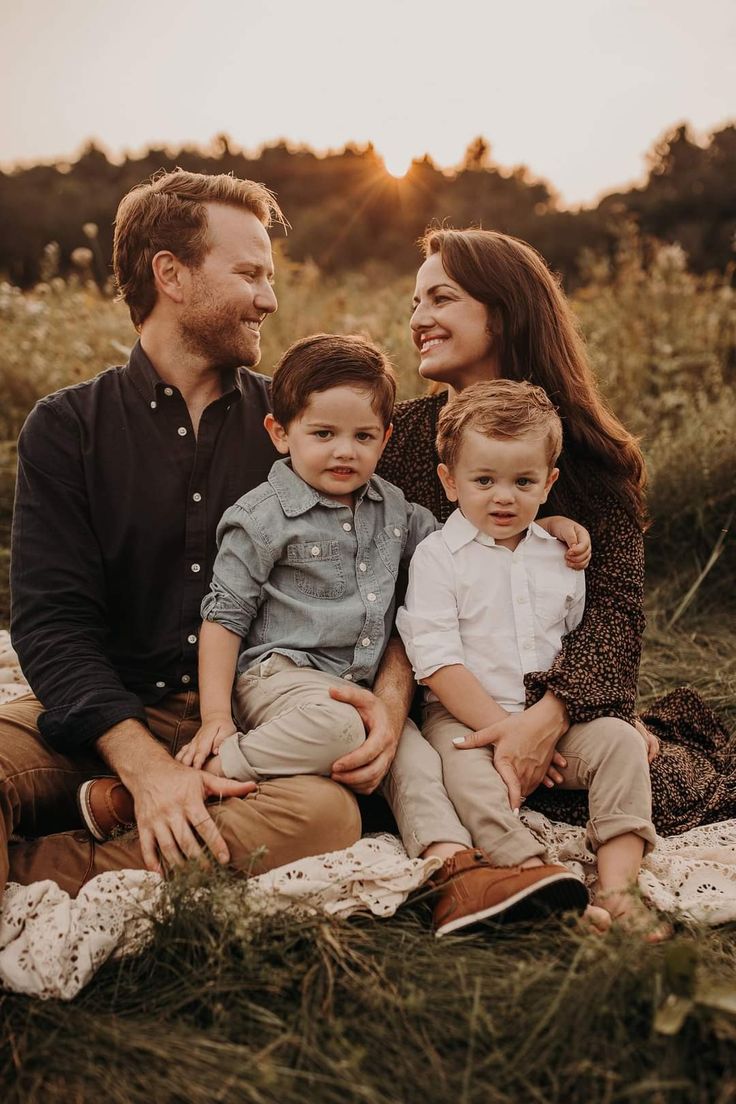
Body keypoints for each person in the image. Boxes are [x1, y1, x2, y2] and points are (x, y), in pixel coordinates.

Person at [79, 334, 591, 935]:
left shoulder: (398, 511)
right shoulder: (261, 516)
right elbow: (224, 616)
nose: (343, 452)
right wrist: (217, 715)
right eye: (323, 434)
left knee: (413, 754)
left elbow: (472, 533)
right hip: (281, 679)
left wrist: (545, 525)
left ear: (385, 439)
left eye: (363, 437)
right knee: (344, 726)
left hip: (364, 690)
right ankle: (198, 776)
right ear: (280, 433)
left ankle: (454, 870)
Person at [1, 170, 390, 902]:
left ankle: (38, 871)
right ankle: (128, 807)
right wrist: (145, 767)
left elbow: (399, 542)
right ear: (171, 275)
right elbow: (51, 623)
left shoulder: (298, 430)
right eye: (249, 274)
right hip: (100, 722)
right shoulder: (67, 427)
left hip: (248, 729)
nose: (269, 299)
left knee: (326, 815)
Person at [378, 227, 735, 837]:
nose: (419, 317)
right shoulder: (400, 438)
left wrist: (548, 718)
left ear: (505, 311)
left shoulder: (588, 453)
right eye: (416, 302)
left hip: (564, 704)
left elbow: (616, 610)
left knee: (651, 777)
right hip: (443, 705)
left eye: (441, 298)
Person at [397, 380, 664, 937]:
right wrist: (506, 732)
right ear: (450, 482)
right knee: (467, 777)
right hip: (464, 716)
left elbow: (568, 643)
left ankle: (618, 888)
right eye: (484, 480)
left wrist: (571, 719)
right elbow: (437, 662)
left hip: (546, 713)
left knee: (619, 743)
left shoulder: (558, 554)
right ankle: (533, 875)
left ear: (549, 483)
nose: (503, 497)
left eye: (523, 482)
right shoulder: (438, 559)